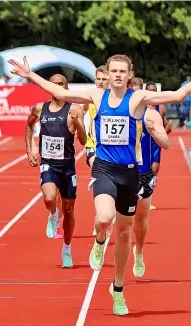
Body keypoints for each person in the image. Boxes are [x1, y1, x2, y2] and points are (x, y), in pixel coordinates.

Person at [8, 53, 191, 315]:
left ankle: (118, 290)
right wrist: (30, 75)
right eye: (114, 71)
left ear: (129, 75)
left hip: (130, 173)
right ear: (108, 74)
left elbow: (176, 96)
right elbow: (61, 93)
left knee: (124, 233)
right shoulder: (96, 97)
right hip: (104, 168)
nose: (118, 75)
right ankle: (99, 240)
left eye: (122, 72)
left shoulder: (137, 99)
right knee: (104, 216)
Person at [25, 74, 87, 268]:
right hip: (48, 164)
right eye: (54, 84)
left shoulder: (74, 109)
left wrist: (77, 123)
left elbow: (84, 140)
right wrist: (30, 149)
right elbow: (29, 125)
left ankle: (67, 249)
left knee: (69, 210)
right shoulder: (39, 108)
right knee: (50, 197)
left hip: (68, 167)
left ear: (66, 87)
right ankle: (53, 214)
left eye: (61, 84)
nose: (57, 86)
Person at [131, 78, 170, 278]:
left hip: (145, 167)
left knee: (140, 217)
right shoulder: (116, 112)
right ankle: (101, 237)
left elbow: (166, 139)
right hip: (120, 171)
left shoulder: (153, 113)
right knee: (115, 218)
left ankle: (138, 250)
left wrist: (157, 132)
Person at [84, 66, 115, 236]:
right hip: (93, 147)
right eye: (98, 79)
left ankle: (107, 213)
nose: (101, 82)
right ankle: (101, 216)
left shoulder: (114, 99)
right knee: (99, 175)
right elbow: (78, 110)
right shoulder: (91, 97)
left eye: (104, 79)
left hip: (113, 150)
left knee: (114, 183)